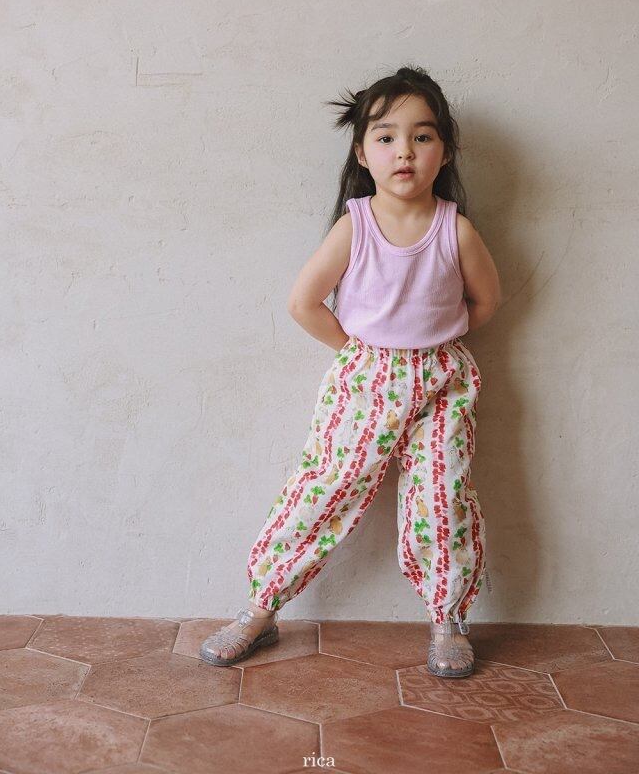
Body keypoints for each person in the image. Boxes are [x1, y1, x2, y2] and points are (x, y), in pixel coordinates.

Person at [200, 65, 501, 678]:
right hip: (366, 379)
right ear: (362, 153)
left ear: (445, 151)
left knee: (442, 494)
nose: (404, 151)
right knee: (328, 485)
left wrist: (432, 341)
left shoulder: (456, 229)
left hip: (442, 382)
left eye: (422, 136)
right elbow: (303, 302)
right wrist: (361, 354)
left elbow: (487, 301)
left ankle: (447, 618)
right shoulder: (355, 225)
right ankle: (261, 606)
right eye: (386, 137)